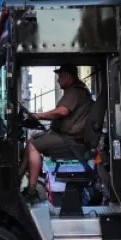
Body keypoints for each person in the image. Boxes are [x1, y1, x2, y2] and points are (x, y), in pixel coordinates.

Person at [24, 65, 94, 200]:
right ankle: (20, 178)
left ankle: (31, 191)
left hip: (70, 141)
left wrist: (39, 115)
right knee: (31, 141)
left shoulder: (74, 91)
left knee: (33, 146)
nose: (58, 80)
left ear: (68, 77)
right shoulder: (77, 91)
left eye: (60, 77)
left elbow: (62, 111)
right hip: (67, 137)